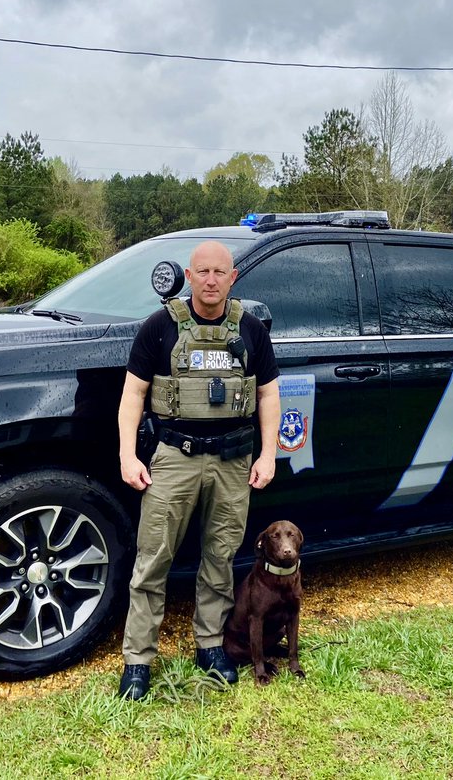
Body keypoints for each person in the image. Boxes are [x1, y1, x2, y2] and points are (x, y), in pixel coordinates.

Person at [116, 240, 280, 700]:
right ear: (190, 277)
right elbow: (133, 396)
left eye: (219, 272)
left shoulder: (249, 330)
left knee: (220, 558)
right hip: (174, 458)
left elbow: (267, 395)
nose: (211, 280)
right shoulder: (159, 327)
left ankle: (210, 645)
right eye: (202, 272)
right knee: (153, 560)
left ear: (233, 279)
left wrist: (268, 455)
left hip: (233, 461)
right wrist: (129, 455)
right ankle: (138, 661)